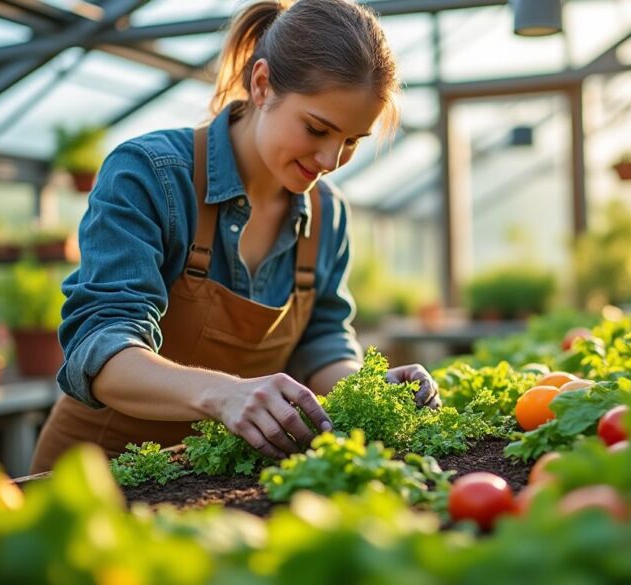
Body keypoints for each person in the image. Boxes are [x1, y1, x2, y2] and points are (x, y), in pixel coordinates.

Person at [30, 0, 441, 473]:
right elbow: (100, 349)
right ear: (262, 84)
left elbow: (322, 341)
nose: (330, 160)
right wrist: (224, 394)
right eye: (317, 129)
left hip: (215, 476)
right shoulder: (153, 175)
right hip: (96, 474)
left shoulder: (327, 213)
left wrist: (367, 388)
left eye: (351, 141)